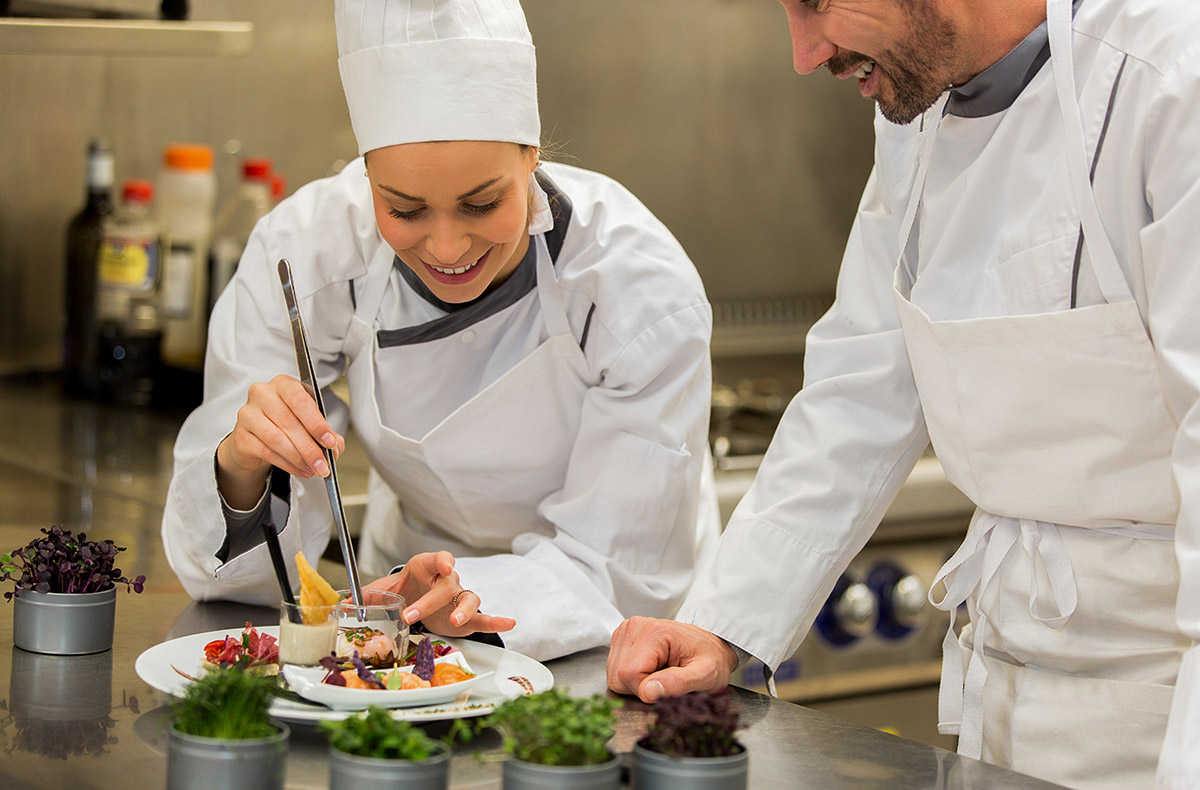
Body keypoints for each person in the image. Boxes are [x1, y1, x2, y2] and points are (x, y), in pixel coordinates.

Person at [607, 0, 1200, 787]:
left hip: (1167, 712)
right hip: (1004, 690)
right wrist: (721, 625)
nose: (803, 53)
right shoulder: (918, 109)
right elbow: (861, 385)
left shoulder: (1171, 78)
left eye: (817, 2)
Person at [161, 0, 719, 662]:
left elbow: (619, 570)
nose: (447, 247)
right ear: (366, 175)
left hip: (605, 638)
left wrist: (461, 596)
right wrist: (243, 466)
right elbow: (225, 575)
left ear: (532, 157)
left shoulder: (637, 289)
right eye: (404, 210)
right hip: (403, 611)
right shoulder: (307, 255)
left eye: (483, 203)